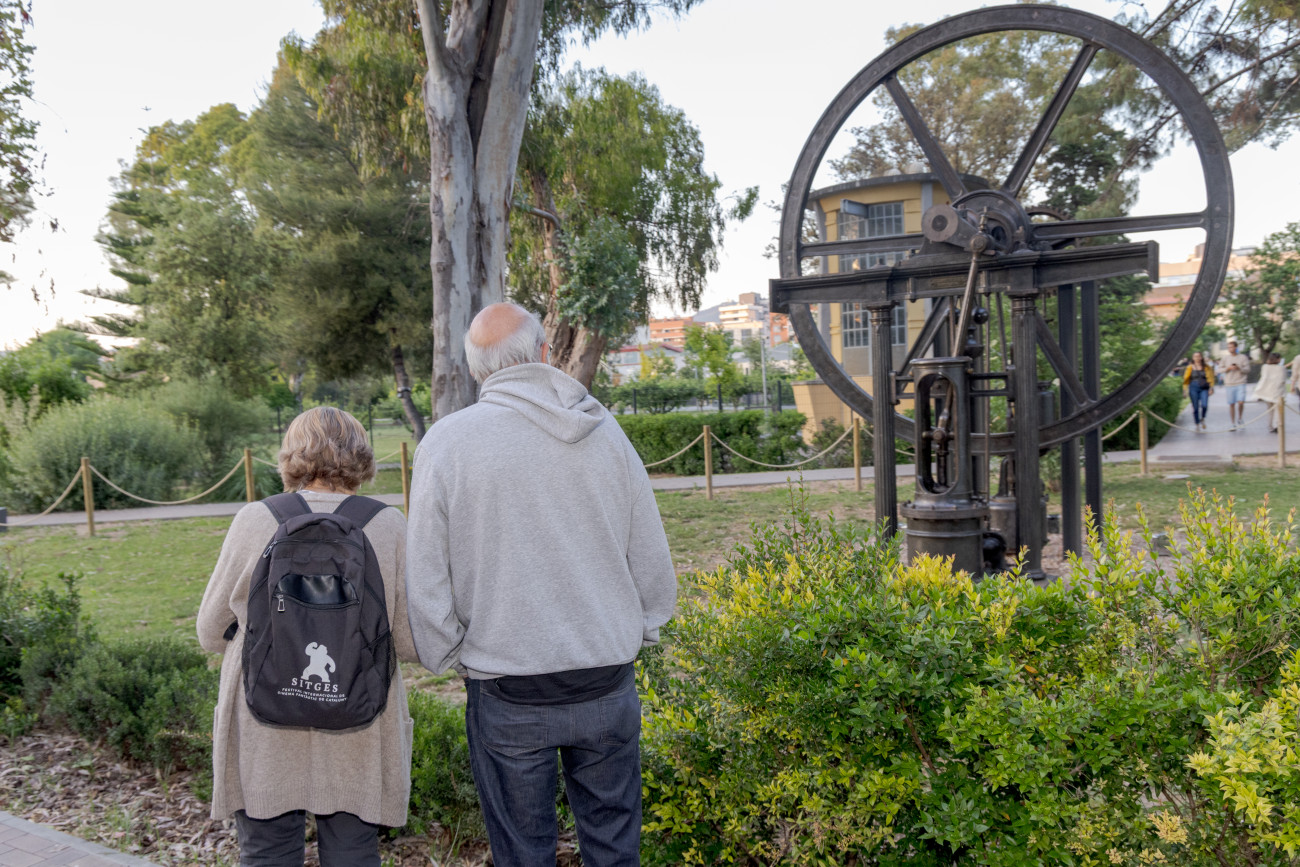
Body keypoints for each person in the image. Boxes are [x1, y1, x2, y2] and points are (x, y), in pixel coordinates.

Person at [406, 302, 677, 867]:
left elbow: (426, 572)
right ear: (545, 353)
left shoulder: (447, 443)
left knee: (522, 853)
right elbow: (649, 550)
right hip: (605, 678)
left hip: (506, 688)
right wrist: (643, 631)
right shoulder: (606, 433)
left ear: (478, 371)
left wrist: (450, 652)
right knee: (614, 847)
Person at [197, 407, 417, 867]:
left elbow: (209, 631)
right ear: (361, 456)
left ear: (291, 456)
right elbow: (407, 641)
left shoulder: (256, 519)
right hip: (359, 713)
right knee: (354, 852)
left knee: (266, 852)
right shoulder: (388, 524)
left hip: (266, 715)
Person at [1218, 340, 1252, 429]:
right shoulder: (1225, 358)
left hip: (1240, 382)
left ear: (1236, 347)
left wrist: (1239, 368)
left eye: (1232, 347)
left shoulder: (1243, 357)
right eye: (1229, 347)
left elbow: (1247, 369)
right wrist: (1228, 368)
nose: (1230, 349)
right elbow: (1220, 369)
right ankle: (1232, 423)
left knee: (1241, 402)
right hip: (1229, 383)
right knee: (1231, 404)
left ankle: (1240, 418)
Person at [1182, 351, 1216, 431]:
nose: (1197, 358)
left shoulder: (1207, 367)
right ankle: (1197, 423)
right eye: (1195, 356)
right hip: (1193, 387)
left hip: (1204, 387)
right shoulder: (1189, 367)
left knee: (1204, 405)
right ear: (1193, 358)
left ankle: (1202, 418)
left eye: (1198, 356)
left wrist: (1211, 388)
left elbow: (1211, 378)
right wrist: (1184, 390)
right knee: (1195, 406)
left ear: (1201, 357)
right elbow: (1186, 379)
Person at [1255, 352, 1286, 432]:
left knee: (1270, 410)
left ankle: (1270, 425)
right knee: (1277, 410)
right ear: (1278, 359)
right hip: (1277, 391)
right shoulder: (1281, 368)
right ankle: (1277, 425)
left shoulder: (1265, 367)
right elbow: (1282, 380)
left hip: (1267, 391)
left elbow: (1263, 378)